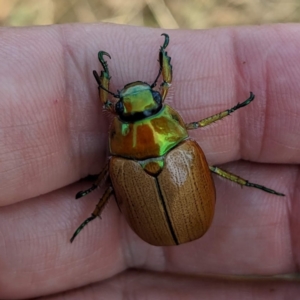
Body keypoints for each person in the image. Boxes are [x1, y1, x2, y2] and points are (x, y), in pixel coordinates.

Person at [0, 24, 299, 299]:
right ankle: (248, 184)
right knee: (210, 168)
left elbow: (107, 110)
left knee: (106, 188)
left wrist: (109, 74)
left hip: (154, 223)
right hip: (165, 222)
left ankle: (93, 216)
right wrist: (229, 107)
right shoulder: (175, 145)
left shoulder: (117, 161)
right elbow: (199, 113)